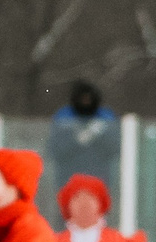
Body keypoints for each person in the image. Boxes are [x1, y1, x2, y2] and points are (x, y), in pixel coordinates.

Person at [45, 80, 121, 213]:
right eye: (82, 98)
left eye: (89, 98)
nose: (86, 102)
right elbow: (55, 150)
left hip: (99, 179)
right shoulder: (63, 117)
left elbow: (115, 148)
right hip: (68, 180)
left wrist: (98, 135)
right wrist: (77, 139)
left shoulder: (106, 118)